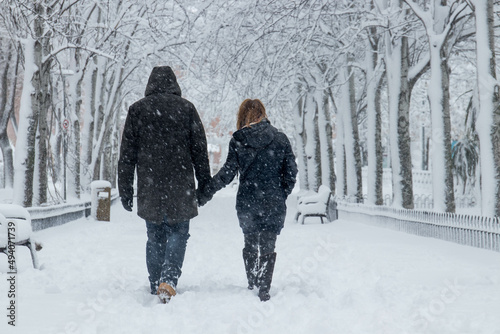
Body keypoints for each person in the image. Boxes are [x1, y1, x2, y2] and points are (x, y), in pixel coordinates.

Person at [118, 66, 211, 304]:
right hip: (181, 183)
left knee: (155, 235)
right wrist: (204, 185)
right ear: (174, 84)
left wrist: (125, 189)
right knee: (179, 231)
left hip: (150, 185)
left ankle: (155, 282)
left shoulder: (137, 110)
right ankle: (168, 280)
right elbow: (199, 151)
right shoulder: (187, 109)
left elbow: (127, 155)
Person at [198, 99, 297, 301]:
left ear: (242, 116)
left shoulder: (239, 140)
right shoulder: (280, 139)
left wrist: (206, 191)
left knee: (250, 241)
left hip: (248, 201)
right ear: (263, 114)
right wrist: (280, 193)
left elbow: (227, 173)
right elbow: (291, 173)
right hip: (273, 201)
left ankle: (253, 281)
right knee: (269, 243)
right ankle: (264, 287)